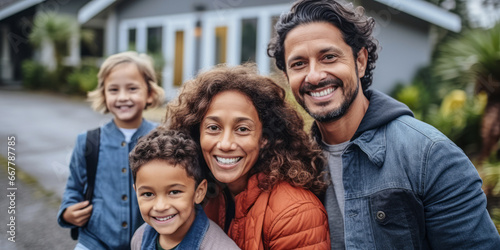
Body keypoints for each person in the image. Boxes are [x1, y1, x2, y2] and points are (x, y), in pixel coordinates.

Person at [267, 0, 500, 249]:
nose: (314, 75)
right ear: (287, 77)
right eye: (299, 64)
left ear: (360, 62)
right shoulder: (293, 163)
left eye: (329, 57)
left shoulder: (430, 156)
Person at [166, 64, 331, 249]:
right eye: (213, 128)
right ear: (198, 134)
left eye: (242, 129)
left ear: (264, 139)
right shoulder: (202, 195)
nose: (225, 144)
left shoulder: (295, 213)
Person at [57, 51, 165, 249]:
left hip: (149, 242)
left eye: (132, 88)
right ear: (104, 94)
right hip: (95, 241)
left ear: (149, 93)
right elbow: (73, 188)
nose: (123, 97)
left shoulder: (163, 138)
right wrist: (68, 211)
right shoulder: (88, 142)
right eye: (114, 90)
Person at [129, 129, 240, 250]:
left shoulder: (220, 247)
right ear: (136, 192)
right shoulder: (139, 239)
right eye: (148, 194)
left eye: (174, 192)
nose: (160, 207)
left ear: (199, 192)